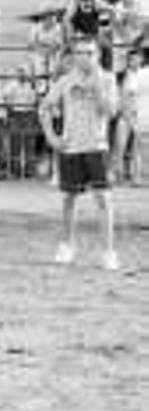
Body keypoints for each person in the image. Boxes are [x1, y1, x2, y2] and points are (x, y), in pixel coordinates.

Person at [39, 38, 119, 270]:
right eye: (80, 52)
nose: (85, 57)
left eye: (90, 52)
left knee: (103, 199)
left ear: (98, 55)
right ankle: (66, 246)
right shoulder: (65, 80)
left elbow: (110, 111)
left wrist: (97, 87)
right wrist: (51, 137)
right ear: (74, 55)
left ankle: (108, 252)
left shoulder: (108, 79)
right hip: (71, 147)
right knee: (69, 200)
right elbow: (44, 107)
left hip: (97, 146)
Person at [114, 49, 149, 184]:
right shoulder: (121, 75)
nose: (134, 61)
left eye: (137, 59)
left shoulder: (145, 75)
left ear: (141, 60)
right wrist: (121, 111)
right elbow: (117, 94)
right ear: (127, 61)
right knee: (120, 145)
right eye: (131, 59)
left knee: (138, 147)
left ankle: (137, 176)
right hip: (124, 114)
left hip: (141, 114)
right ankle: (119, 174)